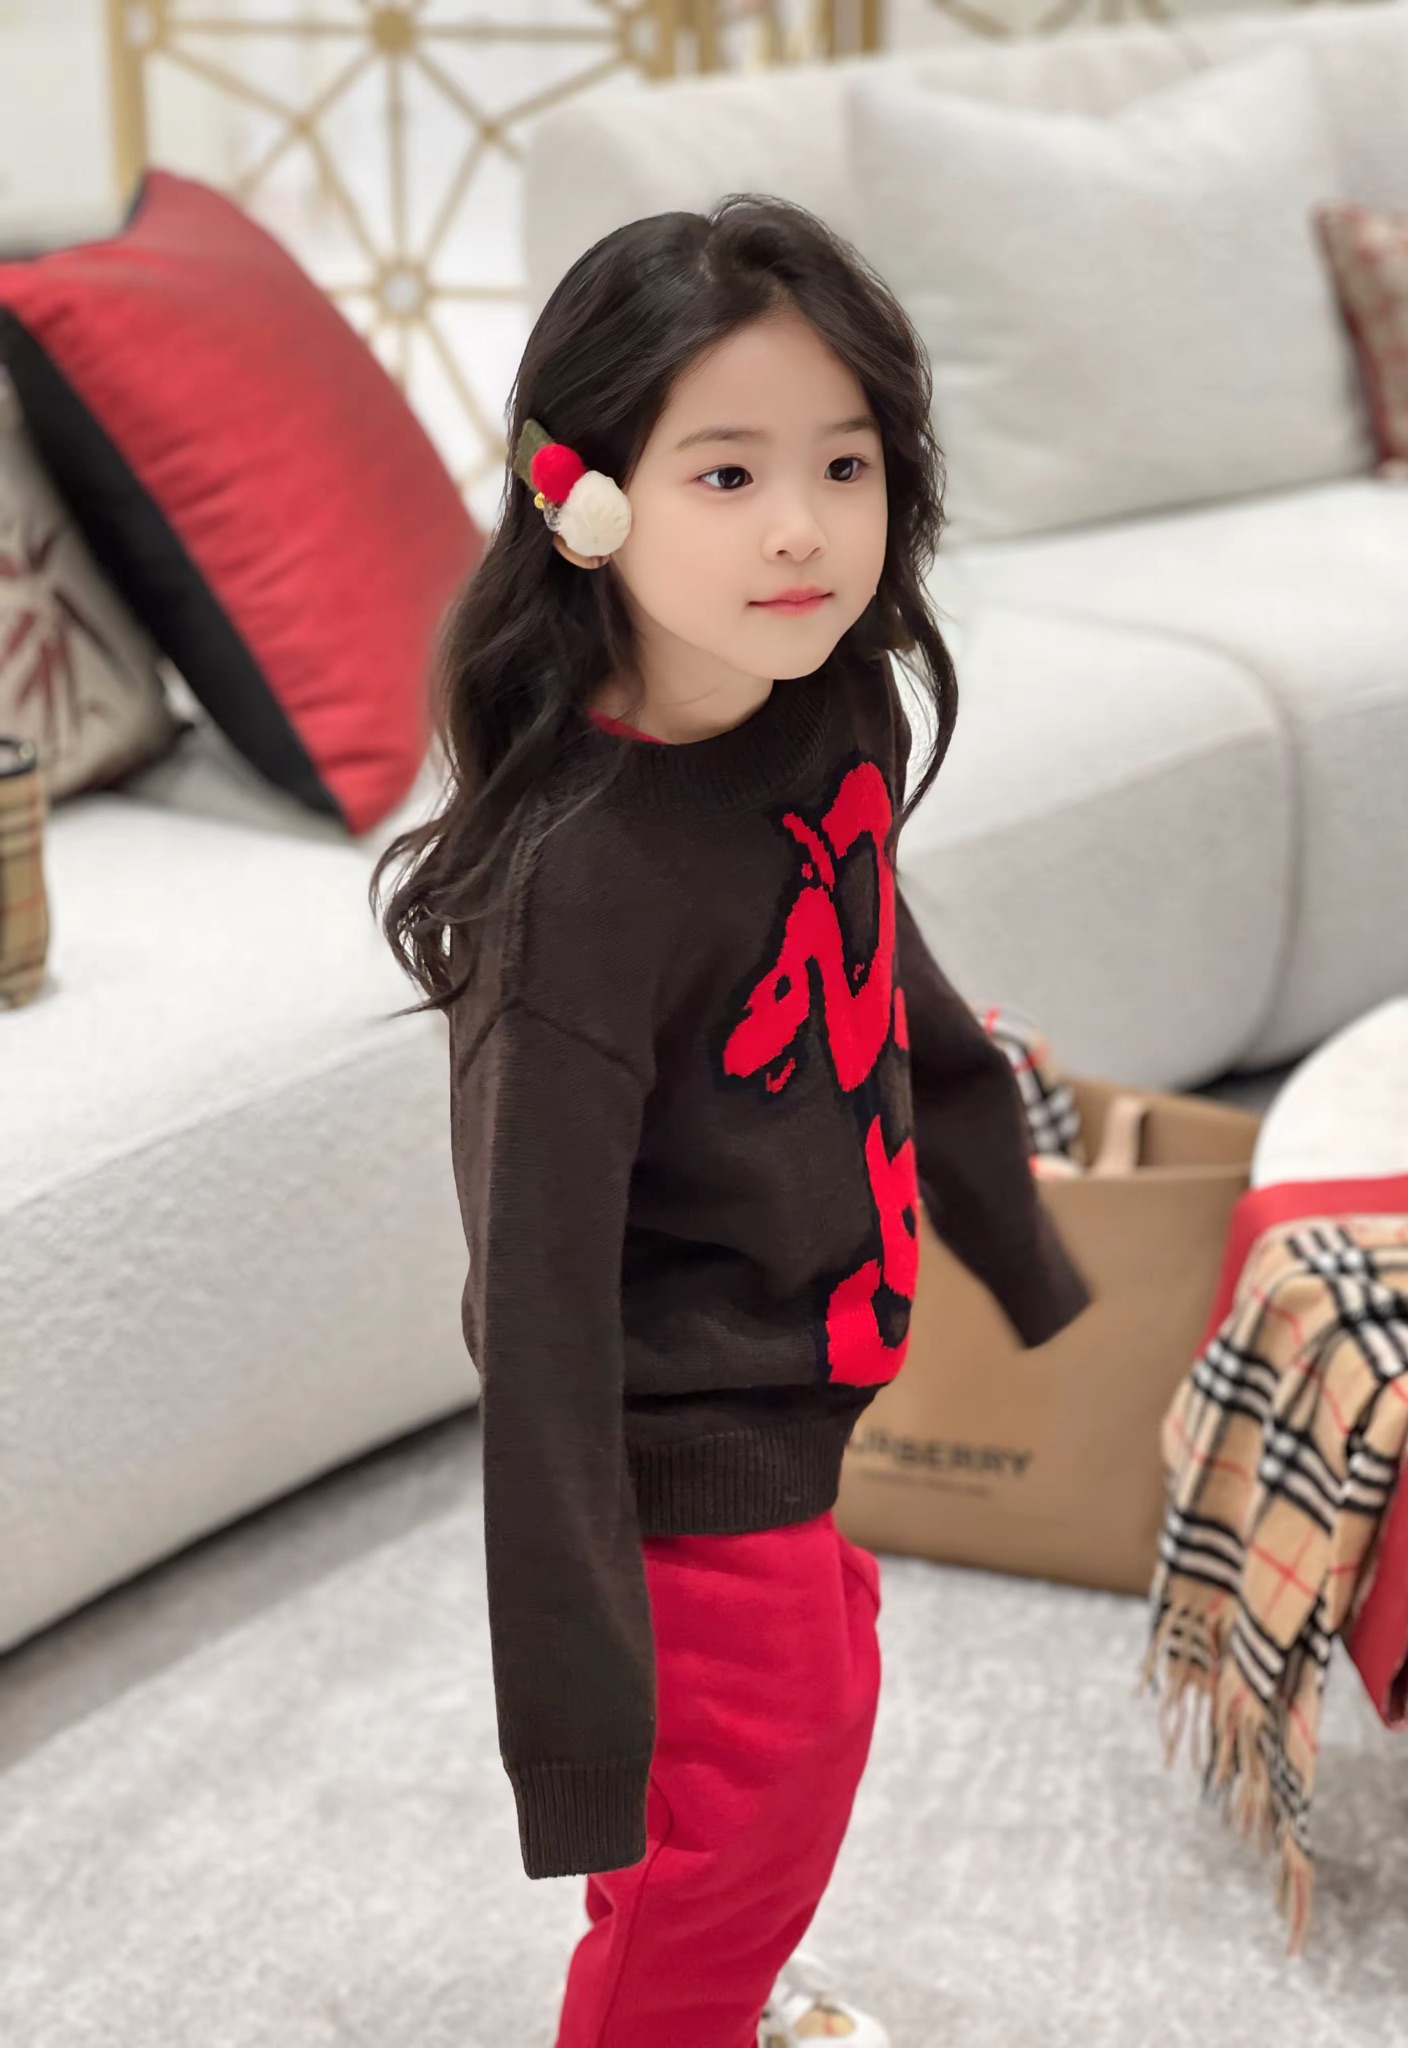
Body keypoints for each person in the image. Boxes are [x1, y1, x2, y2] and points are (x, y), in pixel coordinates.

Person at [370, 194, 1092, 2048]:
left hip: (802, 1396)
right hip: (675, 1456)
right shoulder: (575, 895)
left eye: (845, 465)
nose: (801, 528)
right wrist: (575, 1730)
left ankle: (705, 1991)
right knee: (735, 1832)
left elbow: (892, 982)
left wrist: (1019, 1247)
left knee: (796, 1746)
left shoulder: (818, 711)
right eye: (726, 473)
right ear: (584, 499)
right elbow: (537, 1317)